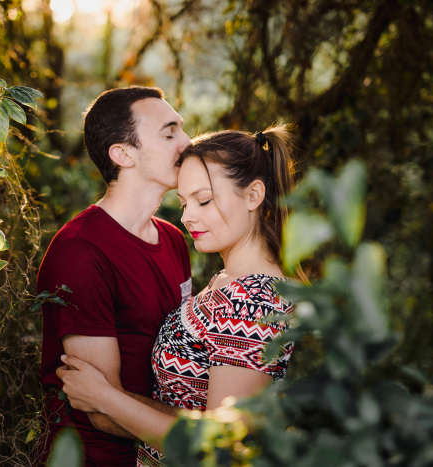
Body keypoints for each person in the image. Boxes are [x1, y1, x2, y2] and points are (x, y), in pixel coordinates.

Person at [56, 125, 298, 467]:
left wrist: (105, 398)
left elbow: (219, 446)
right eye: (183, 203)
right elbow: (190, 412)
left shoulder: (253, 299)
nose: (187, 217)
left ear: (253, 195)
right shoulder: (228, 281)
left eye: (204, 200)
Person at [33, 86, 193, 466]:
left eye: (183, 129)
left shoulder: (173, 239)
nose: (187, 142)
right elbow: (101, 409)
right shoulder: (81, 251)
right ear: (123, 154)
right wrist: (210, 428)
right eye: (169, 133)